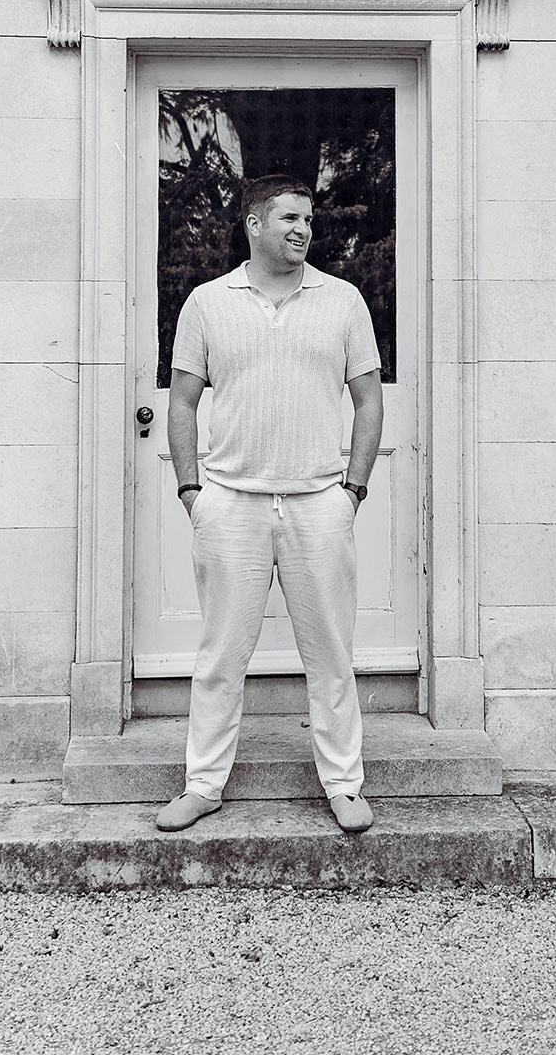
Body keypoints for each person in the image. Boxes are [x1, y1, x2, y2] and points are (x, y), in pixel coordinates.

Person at [156, 173, 384, 835]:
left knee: (331, 655)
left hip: (318, 502)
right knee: (220, 657)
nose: (302, 229)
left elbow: (369, 401)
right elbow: (182, 402)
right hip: (231, 503)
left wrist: (353, 491)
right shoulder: (207, 302)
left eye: (308, 219)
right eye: (289, 217)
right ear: (253, 224)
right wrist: (191, 491)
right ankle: (203, 786)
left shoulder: (342, 301)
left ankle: (344, 785)